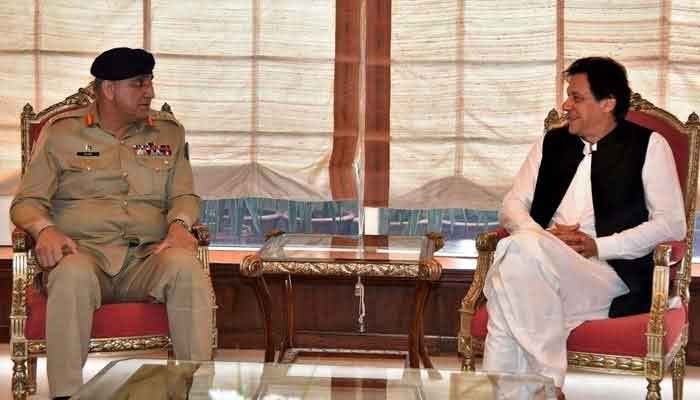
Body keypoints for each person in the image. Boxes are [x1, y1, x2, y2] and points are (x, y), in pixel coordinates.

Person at [11, 47, 213, 399]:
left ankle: (195, 391)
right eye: (139, 84)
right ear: (108, 89)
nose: (150, 92)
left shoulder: (168, 133)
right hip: (83, 254)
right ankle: (66, 395)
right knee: (71, 274)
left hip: (148, 257)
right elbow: (26, 202)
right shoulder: (62, 134)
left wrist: (180, 224)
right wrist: (44, 229)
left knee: (186, 268)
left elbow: (185, 196)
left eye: (150, 82)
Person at [481, 57, 686, 400]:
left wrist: (599, 246)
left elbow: (672, 223)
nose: (566, 105)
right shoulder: (551, 143)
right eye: (568, 96)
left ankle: (537, 388)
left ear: (608, 103)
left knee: (512, 269)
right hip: (541, 263)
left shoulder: (649, 146)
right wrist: (543, 239)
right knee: (521, 255)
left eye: (576, 97)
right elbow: (512, 205)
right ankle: (543, 389)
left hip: (609, 273)